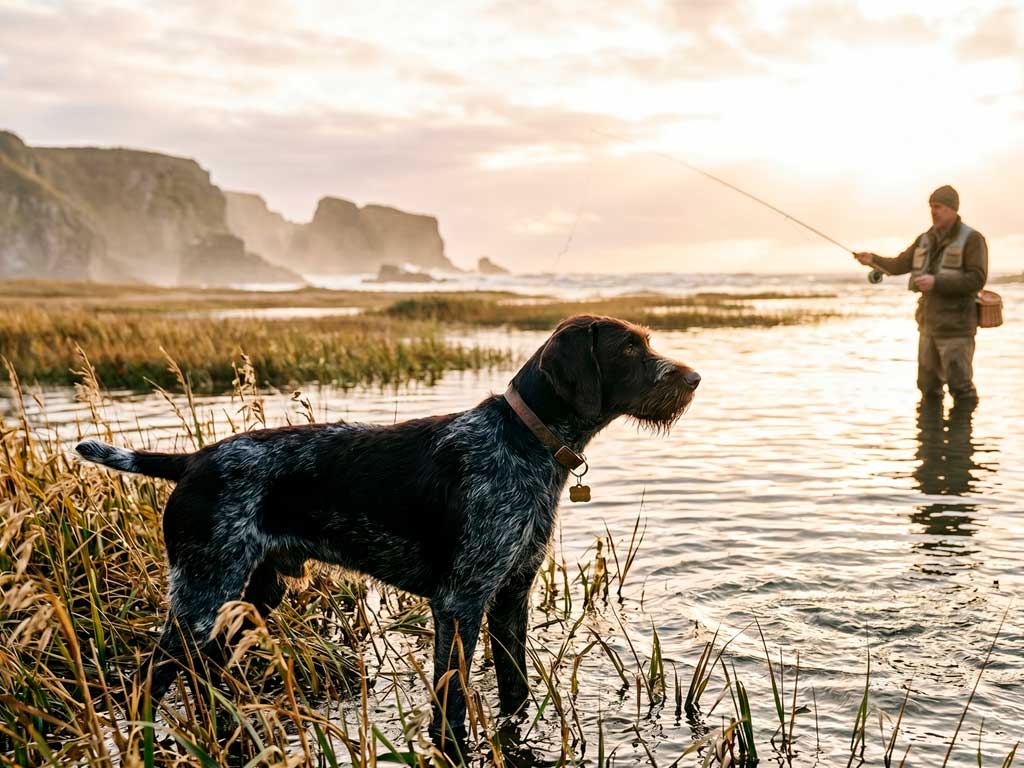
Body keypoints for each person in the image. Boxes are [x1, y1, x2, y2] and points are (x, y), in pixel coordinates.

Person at [855, 185, 988, 404]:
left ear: (953, 209)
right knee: (927, 388)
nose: (933, 212)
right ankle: (930, 438)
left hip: (957, 329)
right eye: (931, 207)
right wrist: (873, 259)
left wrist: (936, 282)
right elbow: (899, 264)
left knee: (961, 388)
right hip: (928, 326)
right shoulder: (925, 239)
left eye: (938, 207)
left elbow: (977, 279)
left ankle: (961, 438)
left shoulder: (973, 239)